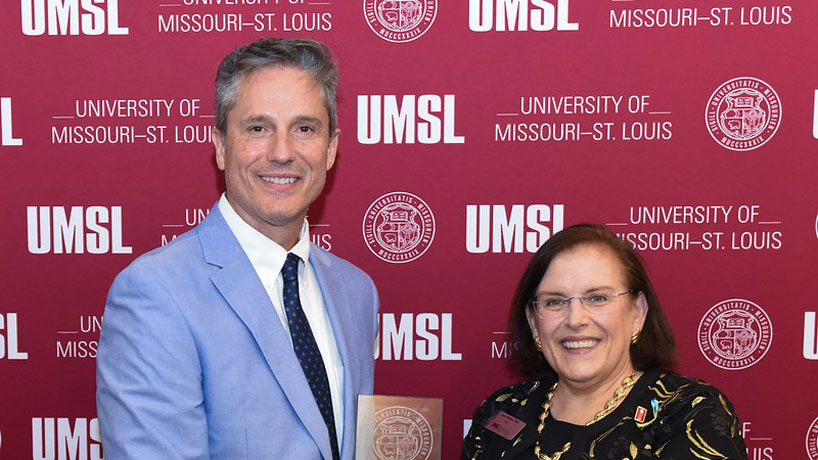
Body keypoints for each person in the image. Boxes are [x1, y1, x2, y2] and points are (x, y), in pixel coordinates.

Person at [96, 38, 379, 460]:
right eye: (257, 128)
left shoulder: (356, 291)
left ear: (331, 148)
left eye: (304, 129)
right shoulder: (156, 292)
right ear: (221, 146)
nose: (282, 152)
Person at [462, 224, 747, 460]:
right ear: (534, 321)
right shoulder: (502, 408)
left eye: (597, 298)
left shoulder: (688, 412)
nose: (575, 319)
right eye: (554, 301)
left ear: (638, 312)